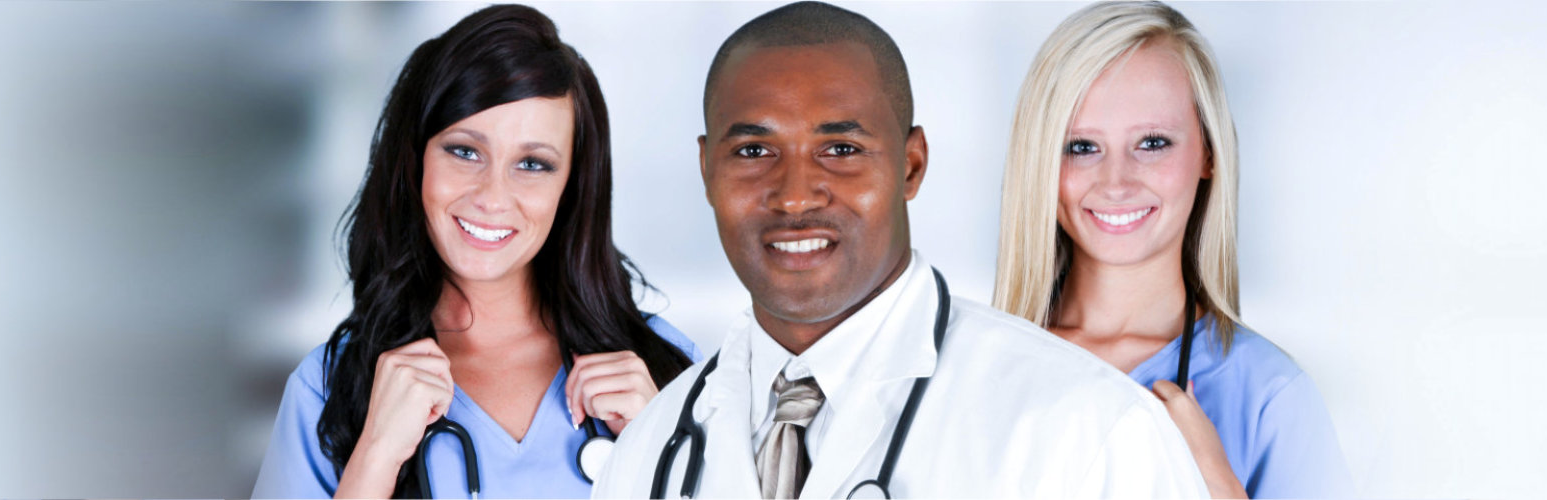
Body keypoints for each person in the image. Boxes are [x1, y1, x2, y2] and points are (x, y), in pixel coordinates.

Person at [591, 2, 1206, 498]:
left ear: (912, 166)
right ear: (706, 170)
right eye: (754, 152)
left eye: (842, 149)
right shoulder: (648, 455)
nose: (795, 196)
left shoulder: (1088, 427)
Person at [252, 5, 697, 498]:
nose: (492, 197)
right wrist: (376, 454)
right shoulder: (327, 390)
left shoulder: (668, 376)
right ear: (415, 158)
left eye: (532, 163)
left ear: (571, 187)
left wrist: (662, 453)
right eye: (465, 151)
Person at [992, 2, 1353, 498]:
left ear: (1208, 152)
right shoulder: (973, 370)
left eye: (1154, 142)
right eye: (1081, 147)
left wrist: (1217, 482)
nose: (1116, 182)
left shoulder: (1269, 394)